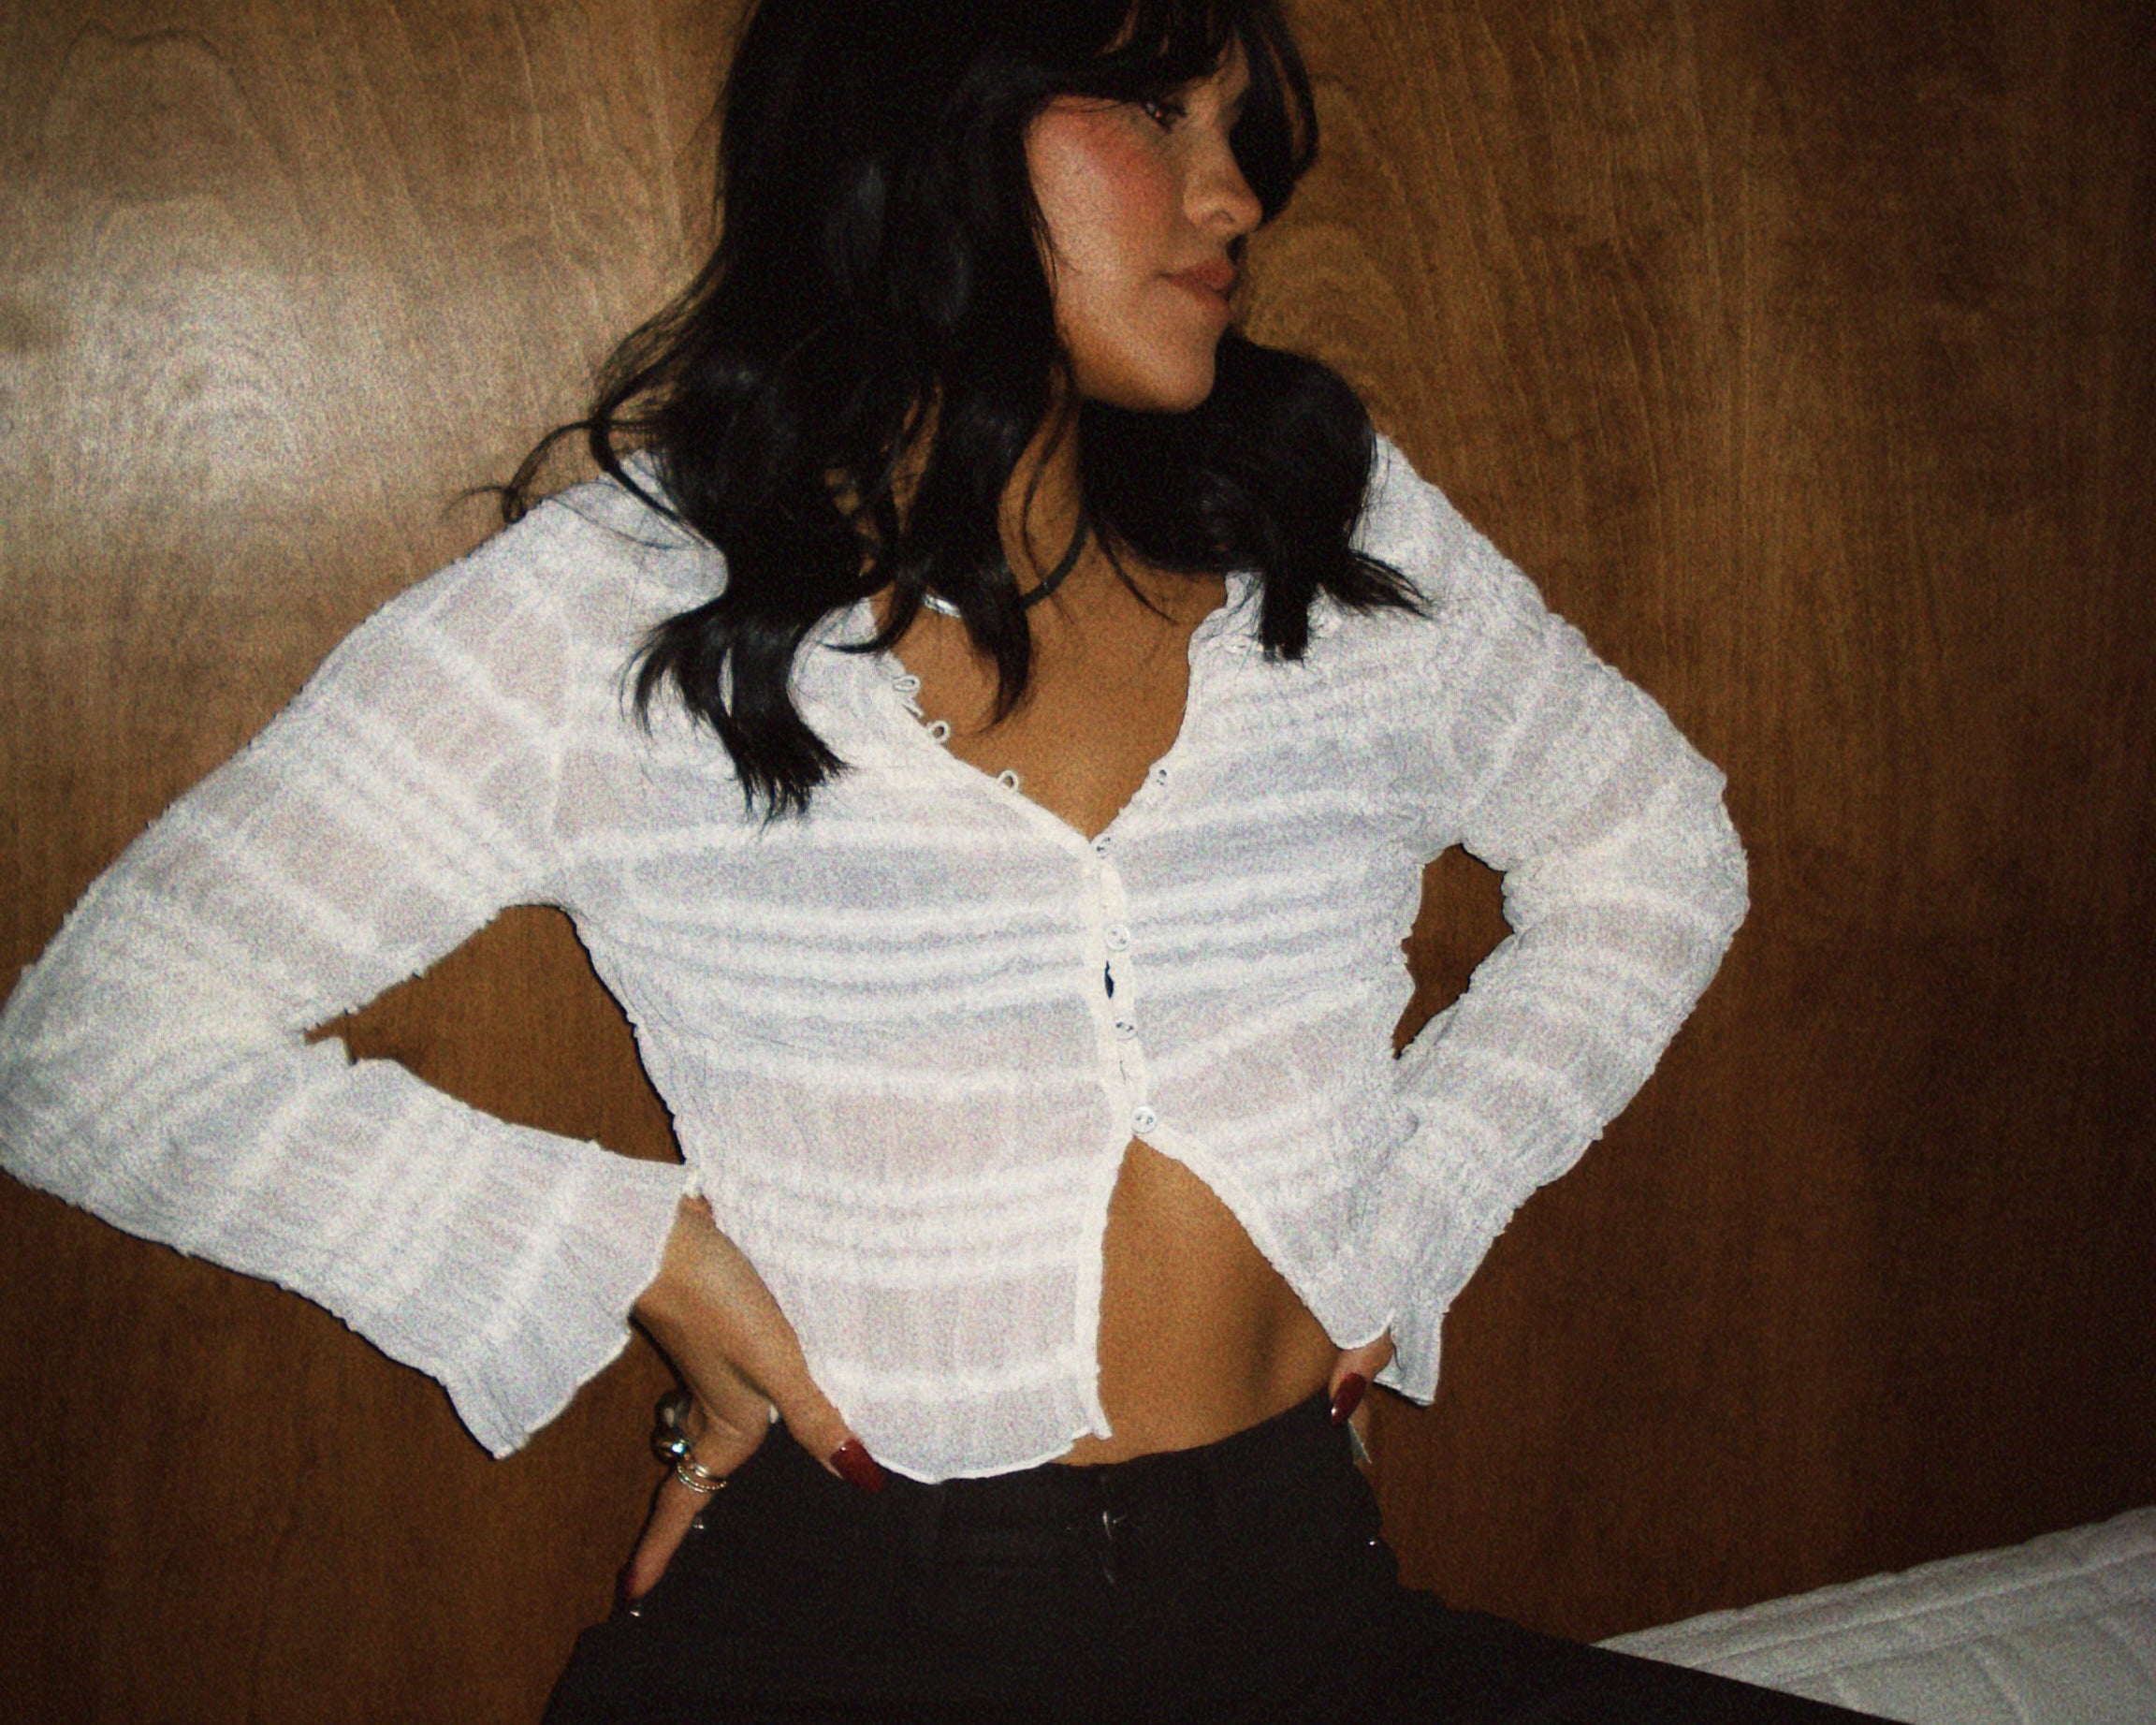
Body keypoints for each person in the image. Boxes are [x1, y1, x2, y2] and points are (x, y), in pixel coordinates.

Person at [0, 1, 1874, 1720]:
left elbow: (1651, 852)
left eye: (1237, 129)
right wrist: (630, 1250)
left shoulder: (1329, 529)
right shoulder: (621, 605)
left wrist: (1422, 1200)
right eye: (1154, 109)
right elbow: (97, 1048)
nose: (1233, 194)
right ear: (924, 124)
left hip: (1306, 1594)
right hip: (852, 1629)